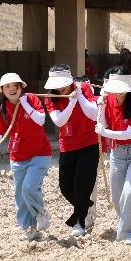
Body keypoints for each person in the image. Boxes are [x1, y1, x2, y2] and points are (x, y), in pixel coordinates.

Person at [0, 73, 53, 242]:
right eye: (8, 86)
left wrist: (25, 103)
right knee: (20, 195)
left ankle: (42, 213)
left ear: (21, 87)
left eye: (15, 86)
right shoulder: (0, 112)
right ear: (3, 90)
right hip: (18, 157)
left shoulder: (32, 99)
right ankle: (32, 229)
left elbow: (41, 120)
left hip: (40, 153)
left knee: (29, 187)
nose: (12, 89)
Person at [95, 67, 131, 246]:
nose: (117, 92)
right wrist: (101, 106)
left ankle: (127, 234)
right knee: (116, 199)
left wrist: (105, 132)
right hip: (118, 153)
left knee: (128, 194)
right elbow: (104, 123)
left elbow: (129, 133)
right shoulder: (108, 100)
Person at [44, 64, 99, 237]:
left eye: (63, 84)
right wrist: (71, 103)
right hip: (67, 146)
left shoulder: (84, 88)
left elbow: (93, 114)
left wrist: (79, 95)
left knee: (82, 184)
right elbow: (59, 121)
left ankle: (80, 223)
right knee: (66, 188)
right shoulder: (51, 97)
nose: (60, 88)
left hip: (89, 144)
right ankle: (85, 206)